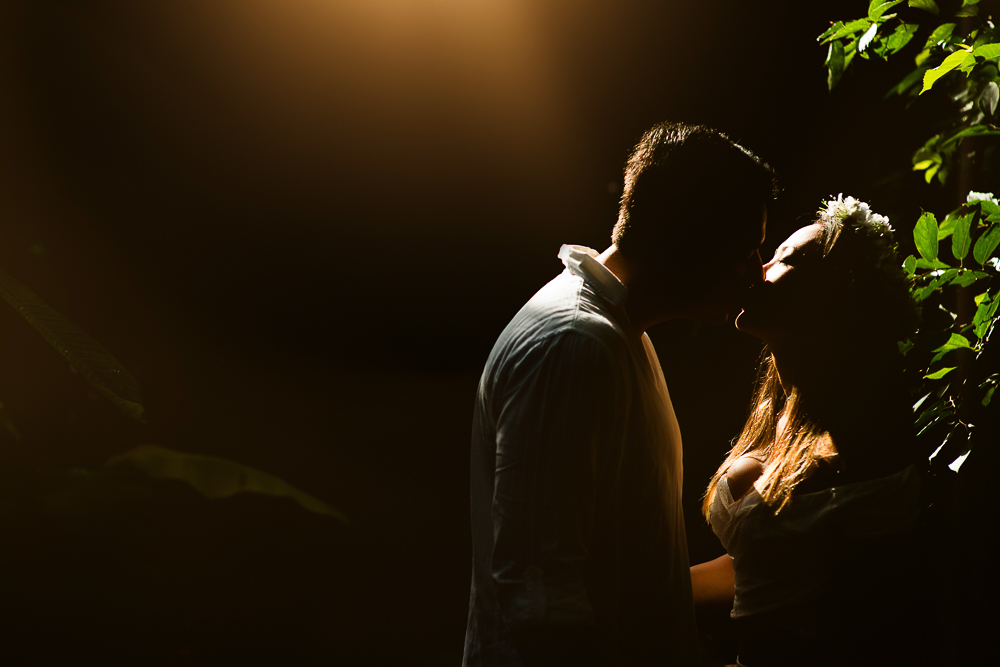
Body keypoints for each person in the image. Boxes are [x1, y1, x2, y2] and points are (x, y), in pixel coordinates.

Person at [463, 121, 777, 667]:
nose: (757, 271)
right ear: (694, 237)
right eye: (748, 248)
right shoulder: (573, 344)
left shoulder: (617, 335)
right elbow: (541, 595)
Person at [692, 195, 938, 666]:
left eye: (787, 259)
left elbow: (868, 623)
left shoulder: (862, 446)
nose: (760, 268)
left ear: (829, 299)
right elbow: (767, 563)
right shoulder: (780, 408)